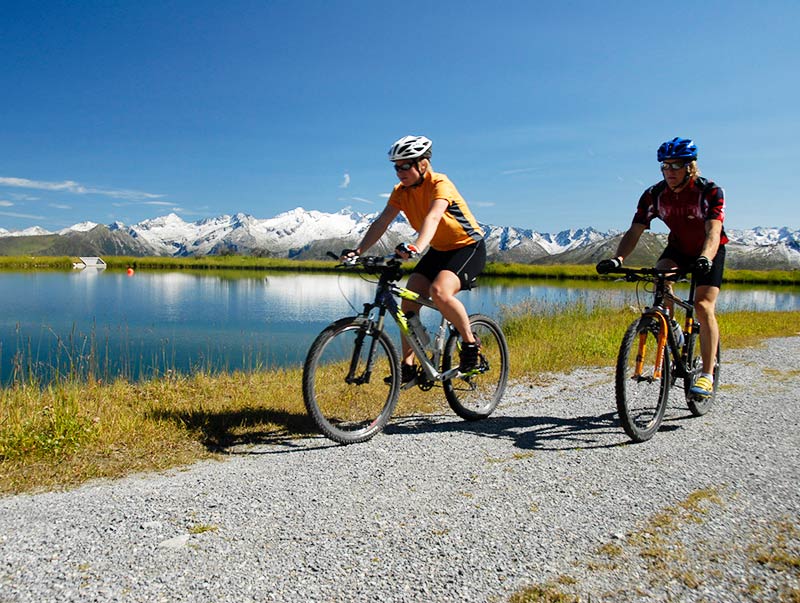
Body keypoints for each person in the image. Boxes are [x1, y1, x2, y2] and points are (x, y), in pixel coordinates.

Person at [341, 135, 487, 384]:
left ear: (423, 163)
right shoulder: (400, 192)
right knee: (408, 304)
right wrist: (358, 251)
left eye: (405, 165)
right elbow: (382, 222)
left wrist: (417, 247)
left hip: (467, 247)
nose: (399, 172)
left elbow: (433, 217)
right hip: (439, 250)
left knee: (440, 291)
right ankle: (407, 365)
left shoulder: (440, 183)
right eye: (396, 166)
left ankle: (470, 345)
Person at [596, 137, 727, 398]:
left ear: (691, 167)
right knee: (660, 280)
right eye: (665, 166)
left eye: (676, 166)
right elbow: (635, 230)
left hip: (709, 250)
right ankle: (674, 330)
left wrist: (705, 258)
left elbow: (714, 231)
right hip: (677, 249)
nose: (669, 172)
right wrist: (618, 259)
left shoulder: (709, 191)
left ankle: (707, 375)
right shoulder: (654, 195)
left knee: (702, 306)